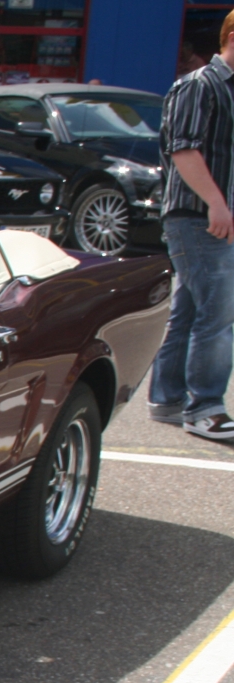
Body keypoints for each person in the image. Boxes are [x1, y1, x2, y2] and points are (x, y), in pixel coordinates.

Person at [148, 8, 234, 441]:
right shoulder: (199, 85)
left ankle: (167, 399)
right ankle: (206, 408)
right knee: (218, 314)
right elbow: (184, 151)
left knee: (191, 310)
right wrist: (218, 205)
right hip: (197, 217)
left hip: (214, 217)